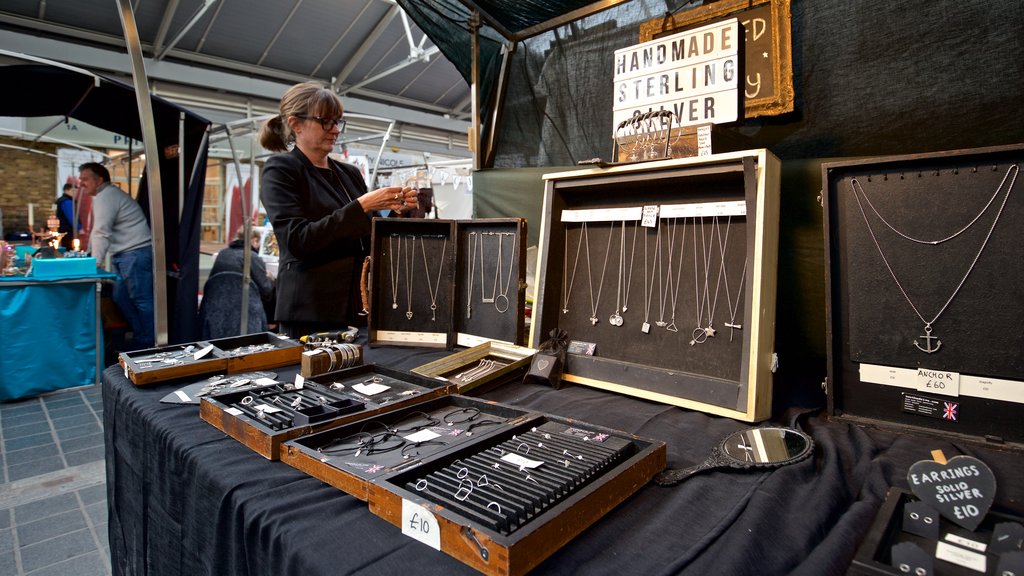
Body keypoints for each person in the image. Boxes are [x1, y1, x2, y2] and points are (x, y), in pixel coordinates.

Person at [258, 82, 417, 338]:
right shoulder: (281, 170)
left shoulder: (349, 174)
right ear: (296, 124)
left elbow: (372, 235)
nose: (334, 130)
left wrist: (397, 211)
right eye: (325, 122)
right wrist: (362, 205)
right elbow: (298, 240)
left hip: (360, 308)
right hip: (311, 313)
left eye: (337, 122)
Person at [79, 162, 155, 350]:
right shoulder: (104, 196)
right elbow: (98, 232)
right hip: (126, 253)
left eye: (85, 179)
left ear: (99, 180)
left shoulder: (107, 196)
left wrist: (94, 262)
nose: (81, 183)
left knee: (141, 299)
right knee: (121, 297)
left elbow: (101, 233)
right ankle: (142, 336)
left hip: (135, 252)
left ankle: (150, 341)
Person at [206, 225, 276, 325]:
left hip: (217, 306)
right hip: (245, 309)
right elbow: (266, 289)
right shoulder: (252, 256)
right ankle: (271, 326)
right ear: (255, 240)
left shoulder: (222, 254)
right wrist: (270, 278)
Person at [56, 182, 79, 250]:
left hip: (61, 230)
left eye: (76, 191)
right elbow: (71, 218)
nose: (75, 193)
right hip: (68, 231)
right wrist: (79, 228)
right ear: (66, 190)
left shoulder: (59, 200)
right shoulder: (67, 202)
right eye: (73, 191)